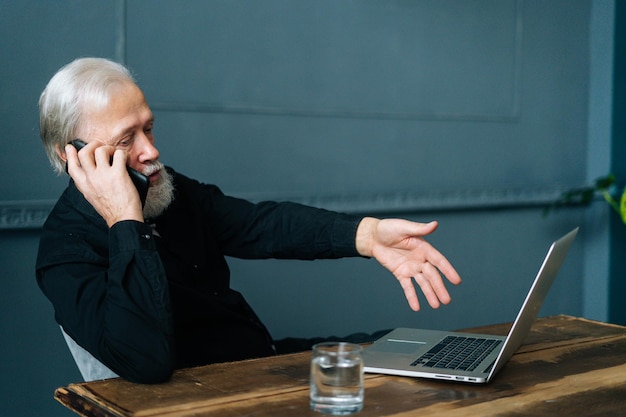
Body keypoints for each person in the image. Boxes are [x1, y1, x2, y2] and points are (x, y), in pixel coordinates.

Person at [36, 57, 462, 384]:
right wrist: (125, 220)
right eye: (127, 140)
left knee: (419, 351)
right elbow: (145, 361)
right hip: (217, 394)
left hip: (263, 359)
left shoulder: (165, 187)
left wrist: (366, 235)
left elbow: (260, 224)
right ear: (70, 154)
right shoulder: (64, 251)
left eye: (149, 129)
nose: (150, 152)